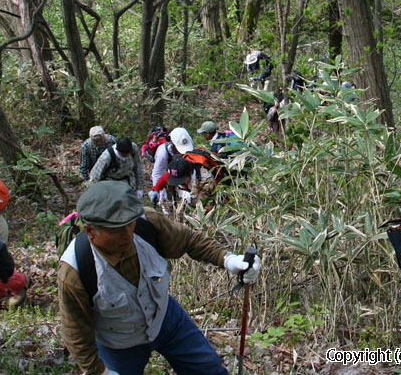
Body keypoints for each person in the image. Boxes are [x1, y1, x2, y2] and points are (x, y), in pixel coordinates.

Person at [58, 181, 261, 375]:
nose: (128, 233)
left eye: (129, 224)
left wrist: (227, 259)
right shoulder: (75, 271)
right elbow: (75, 331)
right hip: (118, 342)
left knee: (208, 369)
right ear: (91, 231)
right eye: (117, 229)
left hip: (165, 318)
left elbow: (188, 240)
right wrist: (97, 371)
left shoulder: (145, 224)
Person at [151, 128, 194, 209]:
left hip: (188, 176)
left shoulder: (199, 171)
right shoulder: (162, 154)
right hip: (176, 172)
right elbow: (159, 175)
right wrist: (157, 191)